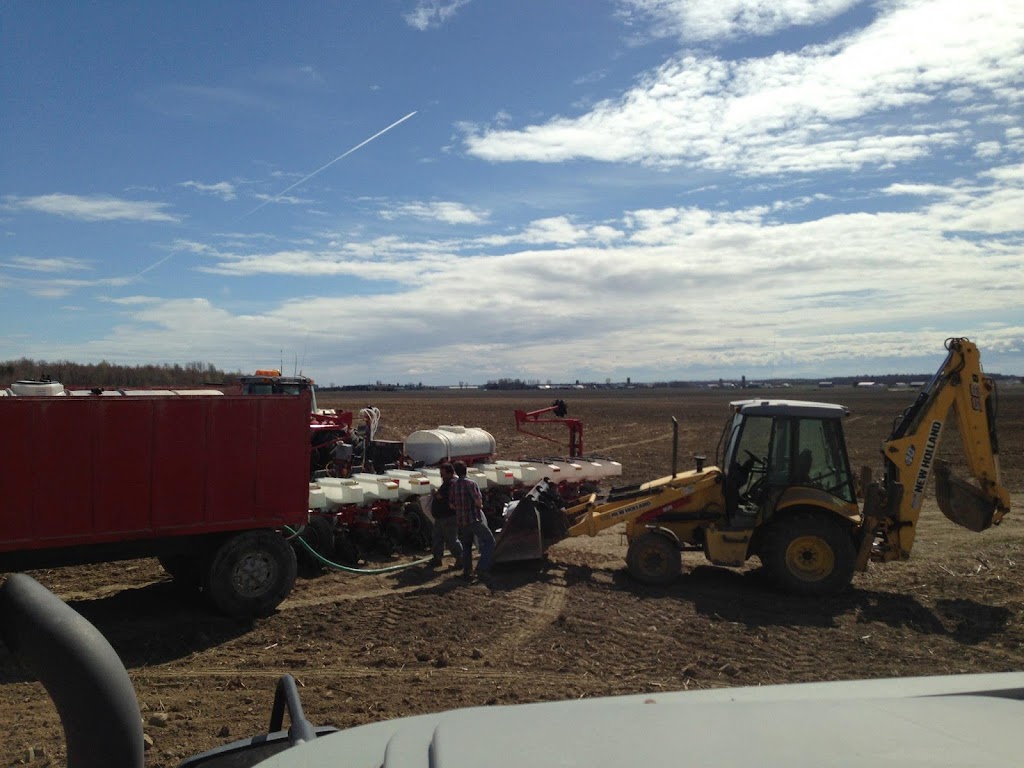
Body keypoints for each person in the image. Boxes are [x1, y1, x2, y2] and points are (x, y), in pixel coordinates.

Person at [448, 460, 495, 580]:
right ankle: (482, 567)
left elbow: (452, 505)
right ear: (466, 470)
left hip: (461, 521)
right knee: (489, 541)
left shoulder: (454, 486)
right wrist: (480, 506)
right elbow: (478, 501)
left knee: (467, 546)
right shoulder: (471, 484)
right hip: (473, 519)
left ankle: (467, 571)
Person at [429, 463, 463, 567]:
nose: (441, 477)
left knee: (451, 540)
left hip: (448, 517)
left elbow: (440, 496)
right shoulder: (449, 483)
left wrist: (434, 492)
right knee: (437, 538)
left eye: (443, 474)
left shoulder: (451, 484)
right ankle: (437, 558)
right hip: (441, 517)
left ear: (450, 473)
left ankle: (461, 559)